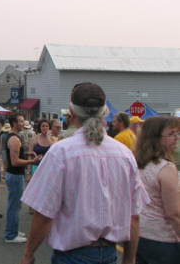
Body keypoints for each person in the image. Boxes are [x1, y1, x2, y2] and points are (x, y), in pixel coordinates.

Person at [20, 82, 149, 264]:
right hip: (109, 253)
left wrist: (29, 253)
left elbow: (44, 213)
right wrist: (129, 259)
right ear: (105, 113)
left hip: (72, 255)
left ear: (71, 113)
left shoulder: (61, 152)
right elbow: (133, 217)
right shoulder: (124, 154)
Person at [136, 117, 180, 264]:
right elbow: (173, 214)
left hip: (140, 234)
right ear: (156, 138)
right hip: (163, 238)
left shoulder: (138, 164)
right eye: (171, 134)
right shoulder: (166, 168)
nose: (176, 138)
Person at [4, 114, 42, 243]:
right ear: (14, 123)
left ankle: (13, 230)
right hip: (15, 175)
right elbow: (14, 161)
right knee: (14, 206)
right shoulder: (14, 139)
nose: (23, 123)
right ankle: (11, 235)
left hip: (14, 175)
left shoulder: (14, 137)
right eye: (20, 121)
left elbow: (15, 155)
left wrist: (28, 153)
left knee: (15, 205)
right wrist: (32, 162)